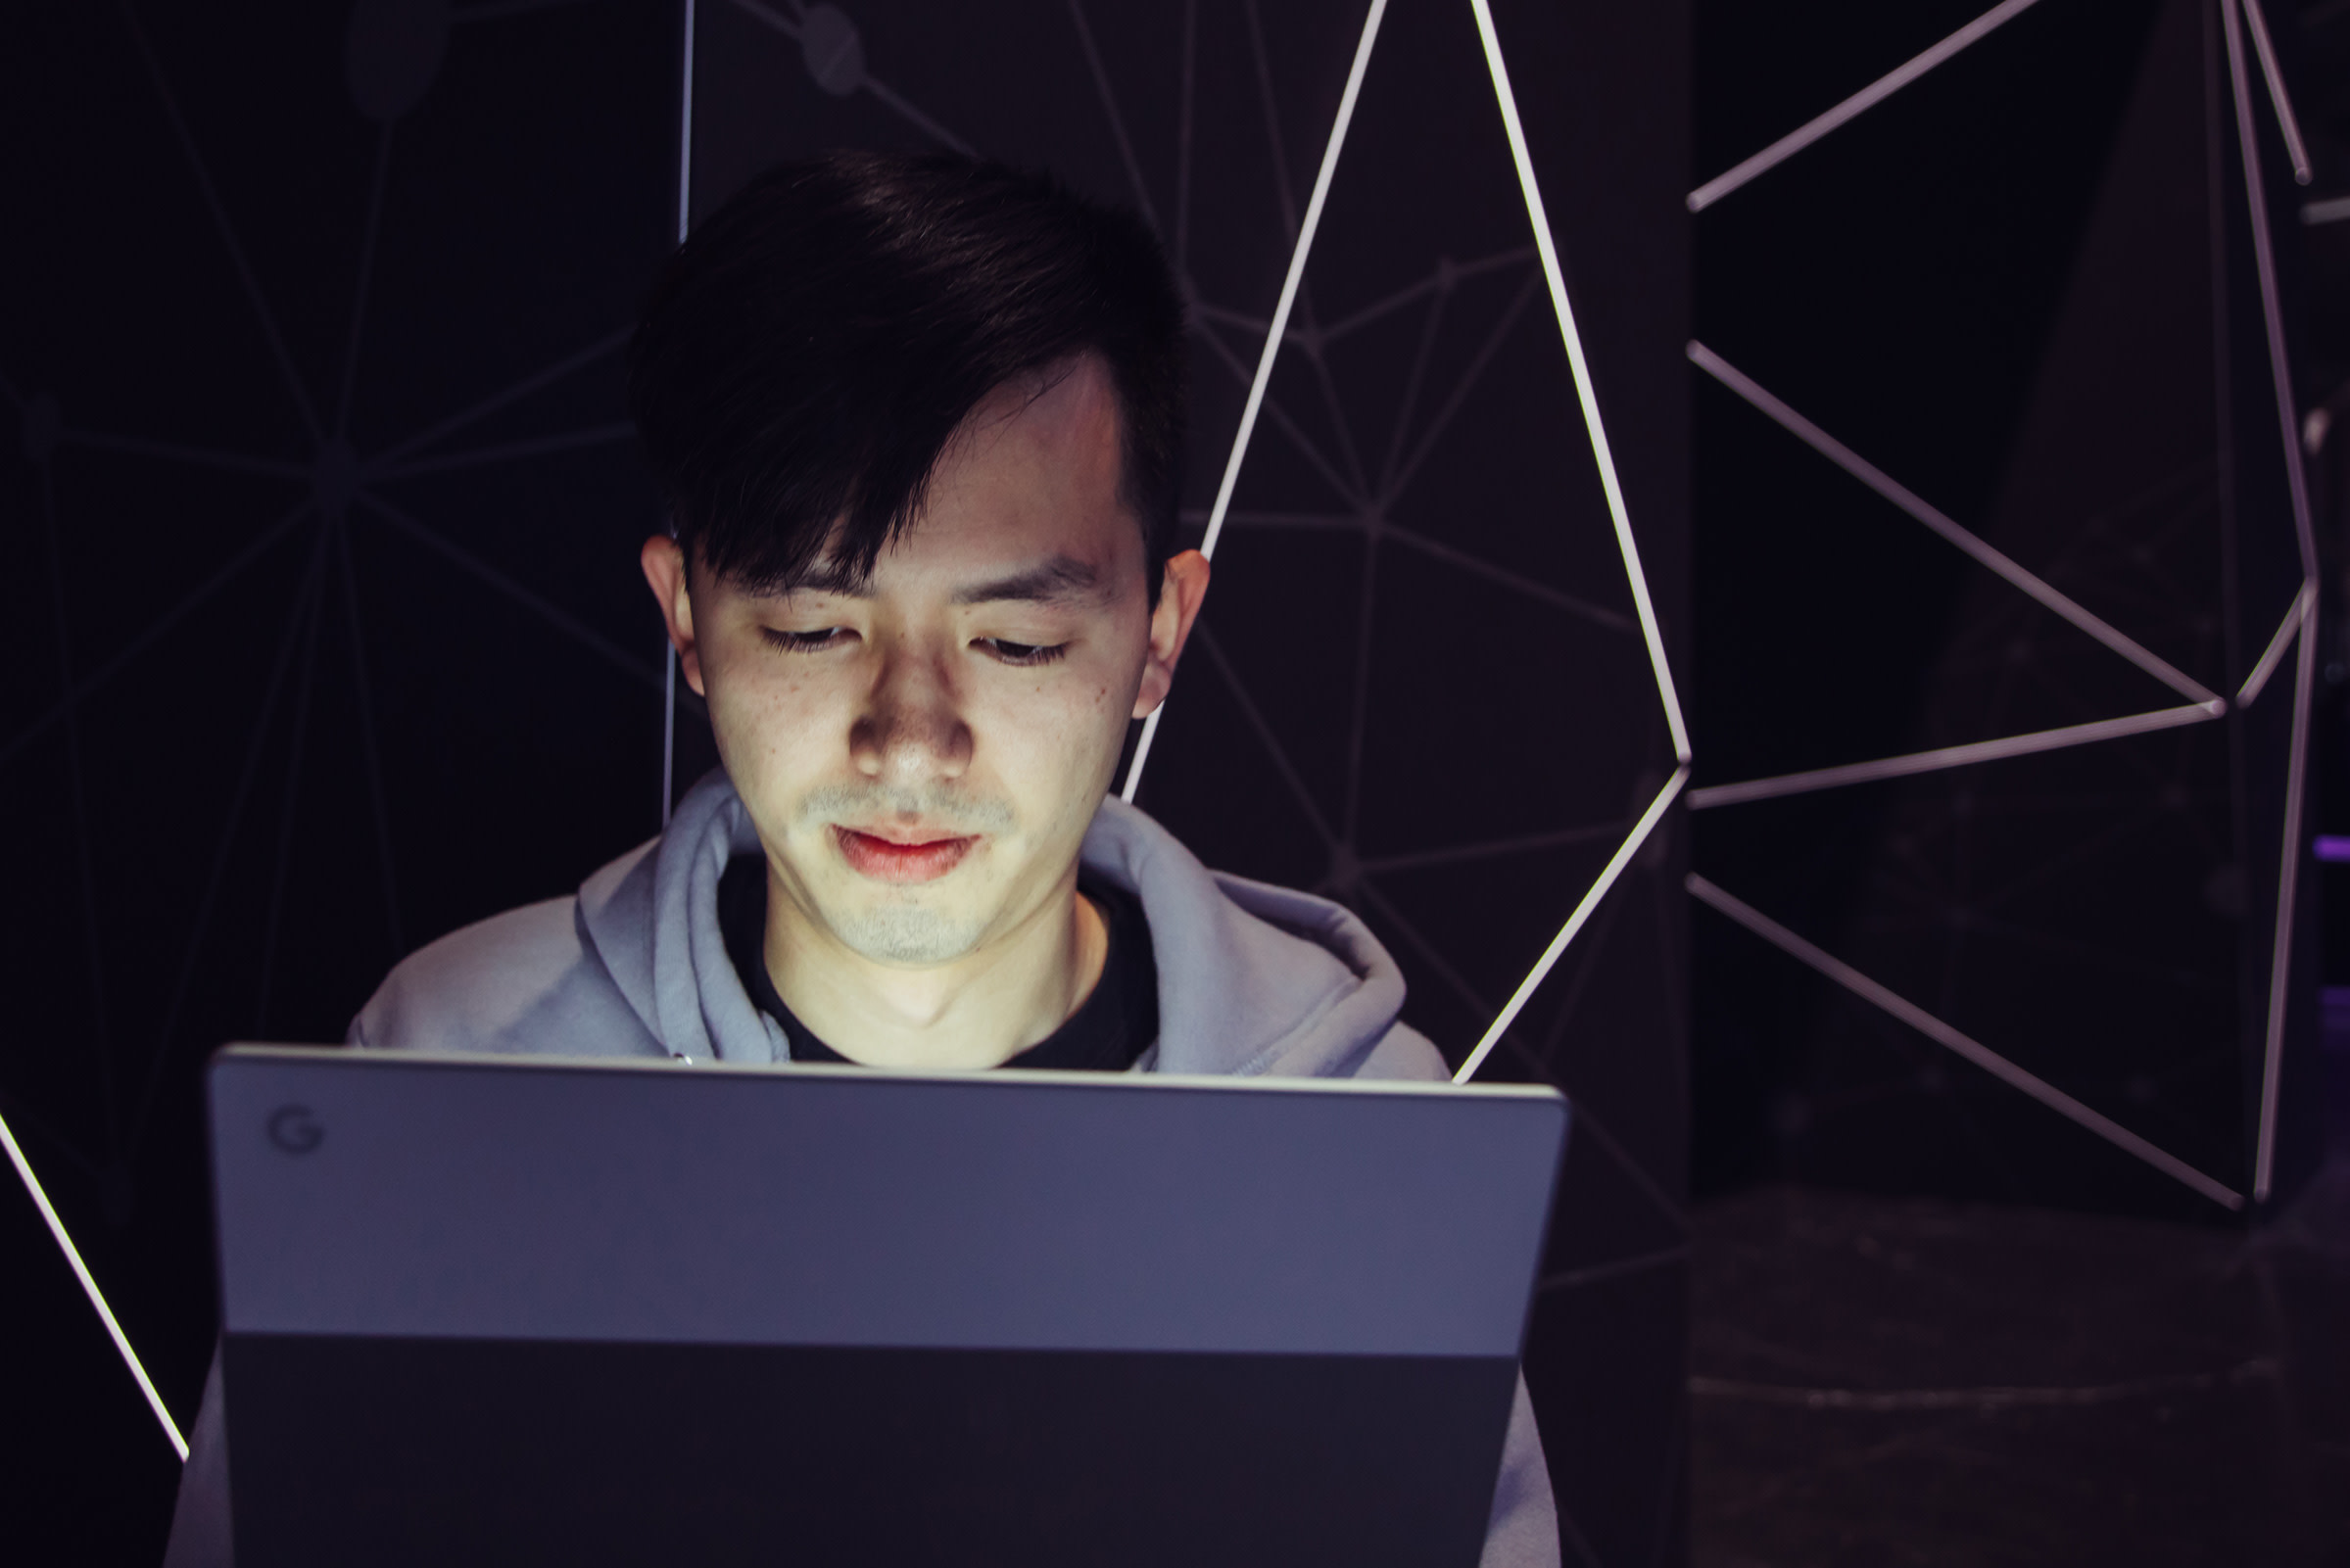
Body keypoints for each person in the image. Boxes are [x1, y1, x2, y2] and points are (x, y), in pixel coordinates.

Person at [164, 151, 1559, 1567]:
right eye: (814, 628)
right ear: (687, 617)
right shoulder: (442, 1081)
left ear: (1158, 632)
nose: (908, 740)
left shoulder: (1364, 1145)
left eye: (1014, 641)